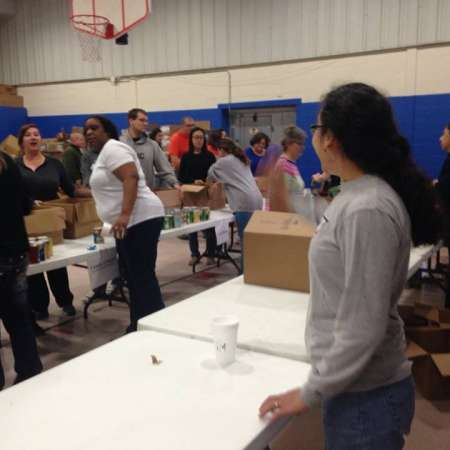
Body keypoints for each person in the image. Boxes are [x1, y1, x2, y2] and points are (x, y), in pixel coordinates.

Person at [259, 83, 442, 450]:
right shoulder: (357, 194)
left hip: (366, 397)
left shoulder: (368, 207)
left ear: (330, 139)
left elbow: (363, 325)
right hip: (355, 389)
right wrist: (287, 201)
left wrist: (309, 392)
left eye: (316, 127)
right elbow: (331, 225)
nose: (313, 136)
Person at [85, 115, 165, 333]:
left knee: (142, 277)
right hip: (131, 223)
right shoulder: (104, 154)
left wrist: (124, 214)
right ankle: (139, 324)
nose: (89, 133)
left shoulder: (113, 148)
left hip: (139, 219)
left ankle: (154, 326)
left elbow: (130, 177)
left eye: (94, 128)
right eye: (86, 130)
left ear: (107, 131)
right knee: (134, 277)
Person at [16, 124, 90, 320]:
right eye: (28, 135)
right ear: (21, 140)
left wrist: (95, 192)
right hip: (27, 220)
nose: (33, 137)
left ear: (41, 139)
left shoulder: (54, 164)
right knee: (33, 267)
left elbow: (70, 189)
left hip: (53, 221)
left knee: (57, 263)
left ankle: (65, 300)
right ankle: (39, 306)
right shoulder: (14, 166)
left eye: (37, 134)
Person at [0, 150, 42, 389]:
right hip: (16, 250)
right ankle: (30, 371)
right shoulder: (7, 160)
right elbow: (26, 206)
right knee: (18, 317)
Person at [207, 138, 263, 264]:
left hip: (244, 203)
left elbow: (210, 174)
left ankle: (244, 276)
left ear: (221, 150)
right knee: (252, 242)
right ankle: (254, 273)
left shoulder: (224, 161)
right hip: (257, 200)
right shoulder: (241, 159)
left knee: (246, 244)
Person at [178, 127, 217, 266]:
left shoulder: (210, 156)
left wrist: (205, 182)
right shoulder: (186, 157)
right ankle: (194, 254)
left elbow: (214, 176)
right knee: (192, 227)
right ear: (191, 139)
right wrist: (193, 181)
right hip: (190, 195)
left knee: (209, 227)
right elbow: (181, 176)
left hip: (205, 194)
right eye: (196, 137)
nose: (199, 140)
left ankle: (211, 254)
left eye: (201, 137)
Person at [120, 109, 179, 189]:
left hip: (146, 193)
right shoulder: (119, 143)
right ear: (131, 121)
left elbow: (165, 168)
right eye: (141, 120)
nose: (145, 123)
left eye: (146, 121)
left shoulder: (152, 145)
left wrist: (175, 183)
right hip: (123, 193)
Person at [269, 126, 307, 214]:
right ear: (289, 143)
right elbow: (279, 200)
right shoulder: (283, 165)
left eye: (303, 144)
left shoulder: (290, 163)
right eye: (300, 144)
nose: (302, 147)